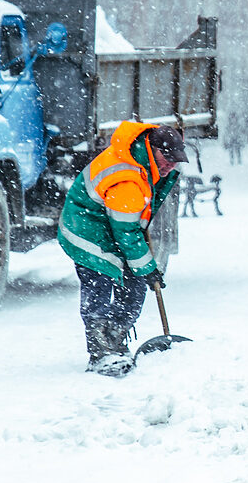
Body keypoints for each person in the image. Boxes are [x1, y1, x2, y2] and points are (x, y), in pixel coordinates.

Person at [57, 121, 186, 377]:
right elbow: (126, 232)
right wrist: (149, 268)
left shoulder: (145, 165)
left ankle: (115, 338)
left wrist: (144, 271)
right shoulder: (127, 176)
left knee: (135, 285)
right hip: (86, 229)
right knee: (100, 281)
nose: (171, 164)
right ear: (153, 149)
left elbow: (129, 227)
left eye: (176, 159)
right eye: (167, 157)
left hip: (108, 226)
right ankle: (101, 351)